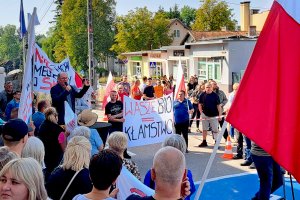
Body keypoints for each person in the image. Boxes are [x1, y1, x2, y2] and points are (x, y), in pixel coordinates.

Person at [143, 135, 196, 200]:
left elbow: (144, 191)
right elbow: (190, 191)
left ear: (153, 173)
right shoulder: (188, 174)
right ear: (184, 174)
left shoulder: (151, 173)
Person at [38, 107, 66, 175]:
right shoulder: (59, 130)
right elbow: (64, 148)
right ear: (56, 116)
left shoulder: (42, 126)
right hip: (55, 160)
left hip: (44, 157)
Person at [198, 83, 222, 147]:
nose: (208, 88)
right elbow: (200, 104)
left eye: (209, 87)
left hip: (214, 115)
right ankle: (204, 141)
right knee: (204, 129)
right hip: (205, 115)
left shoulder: (215, 95)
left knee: (215, 130)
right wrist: (201, 113)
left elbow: (218, 106)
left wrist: (220, 115)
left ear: (212, 88)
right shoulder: (202, 95)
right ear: (204, 88)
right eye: (206, 87)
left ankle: (216, 142)